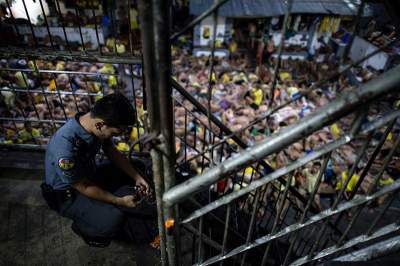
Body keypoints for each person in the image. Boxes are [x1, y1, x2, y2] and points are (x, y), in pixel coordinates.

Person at [41, 93, 158, 247]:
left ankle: (104, 203)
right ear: (100, 125)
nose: (117, 136)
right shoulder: (65, 148)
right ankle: (85, 229)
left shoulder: (91, 121)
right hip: (68, 194)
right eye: (115, 133)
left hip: (89, 174)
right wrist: (119, 201)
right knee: (113, 218)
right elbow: (82, 186)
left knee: (138, 166)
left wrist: (137, 177)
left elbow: (111, 150)